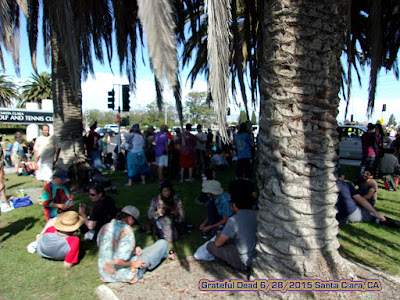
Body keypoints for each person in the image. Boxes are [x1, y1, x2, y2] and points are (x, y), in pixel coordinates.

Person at [97, 205, 169, 283]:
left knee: (147, 252)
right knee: (162, 243)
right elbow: (117, 261)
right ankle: (162, 255)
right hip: (124, 274)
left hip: (106, 274)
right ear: (130, 218)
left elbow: (106, 248)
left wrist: (133, 250)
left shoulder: (105, 227)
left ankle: (162, 255)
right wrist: (134, 264)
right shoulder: (127, 231)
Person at [207, 195, 257, 271]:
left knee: (211, 245)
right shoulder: (256, 214)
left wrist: (219, 235)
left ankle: (239, 266)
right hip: (257, 254)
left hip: (246, 260)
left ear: (234, 205)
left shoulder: (233, 220)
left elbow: (218, 243)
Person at [336, 169, 400, 228]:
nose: (364, 175)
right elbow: (355, 189)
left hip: (368, 200)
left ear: (371, 176)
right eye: (364, 173)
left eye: (367, 174)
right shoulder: (356, 181)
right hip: (352, 208)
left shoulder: (373, 184)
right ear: (342, 176)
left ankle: (389, 222)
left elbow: (368, 196)